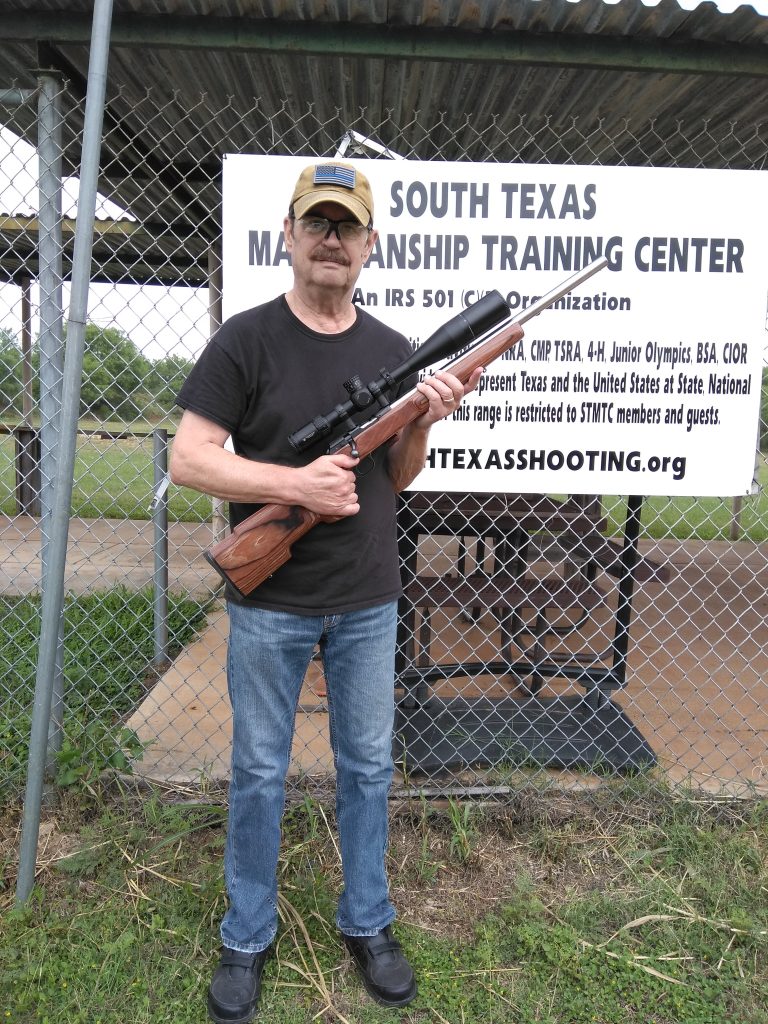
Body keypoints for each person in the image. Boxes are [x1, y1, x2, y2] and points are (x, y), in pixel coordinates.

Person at [170, 160, 482, 1024]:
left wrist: (421, 419)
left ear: (370, 244)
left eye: (348, 227)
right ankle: (246, 934)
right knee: (261, 769)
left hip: (369, 597)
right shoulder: (246, 339)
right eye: (319, 224)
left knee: (369, 767)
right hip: (269, 604)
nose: (333, 240)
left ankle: (368, 922)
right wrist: (296, 486)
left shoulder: (393, 353)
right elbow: (189, 457)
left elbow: (399, 477)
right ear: (290, 236)